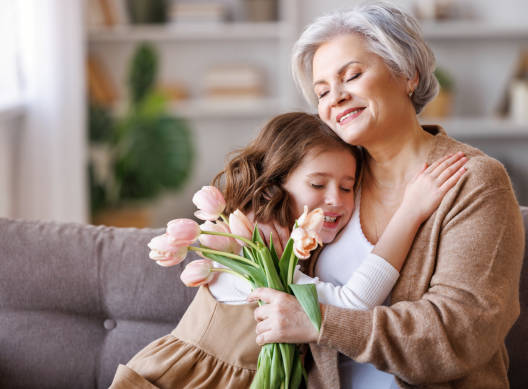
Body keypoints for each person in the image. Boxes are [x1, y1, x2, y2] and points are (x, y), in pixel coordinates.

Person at [248, 3, 525, 389]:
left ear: (407, 74)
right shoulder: (332, 184)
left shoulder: (474, 182)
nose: (336, 98)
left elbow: (459, 333)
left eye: (353, 76)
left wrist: (320, 321)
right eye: (322, 91)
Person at [110, 112, 466, 388]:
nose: (336, 200)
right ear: (275, 183)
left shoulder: (295, 247)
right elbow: (355, 305)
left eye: (347, 187)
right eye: (317, 183)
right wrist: (410, 212)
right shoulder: (251, 247)